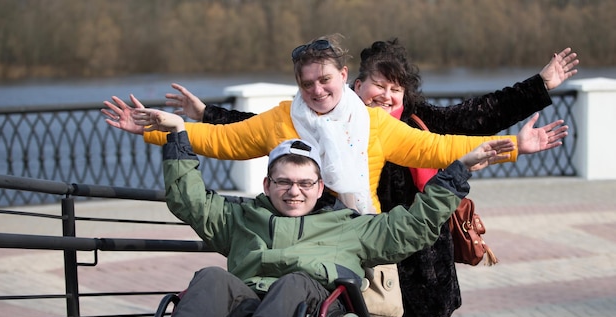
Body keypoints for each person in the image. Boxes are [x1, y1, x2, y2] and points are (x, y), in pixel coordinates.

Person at [153, 39, 579, 317]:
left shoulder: (395, 127)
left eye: (397, 88)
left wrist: (515, 140)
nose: (388, 94)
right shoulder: (294, 129)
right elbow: (240, 134)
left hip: (382, 251)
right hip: (332, 252)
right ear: (356, 83)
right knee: (216, 279)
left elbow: (463, 131)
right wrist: (176, 129)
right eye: (380, 85)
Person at [105, 108, 515, 317]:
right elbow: (188, 201)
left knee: (296, 281)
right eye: (283, 181)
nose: (294, 190)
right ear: (267, 184)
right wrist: (178, 134)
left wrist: (457, 172)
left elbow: (412, 226)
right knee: (212, 277)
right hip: (246, 304)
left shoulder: (351, 226)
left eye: (304, 182)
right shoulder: (242, 218)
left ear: (321, 188)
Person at [101, 34, 567, 218]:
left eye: (325, 80)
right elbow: (222, 140)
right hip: (302, 229)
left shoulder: (373, 124)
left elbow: (441, 148)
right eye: (307, 84)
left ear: (344, 78)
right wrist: (156, 129)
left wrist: (515, 146)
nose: (317, 91)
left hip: (360, 231)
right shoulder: (284, 119)